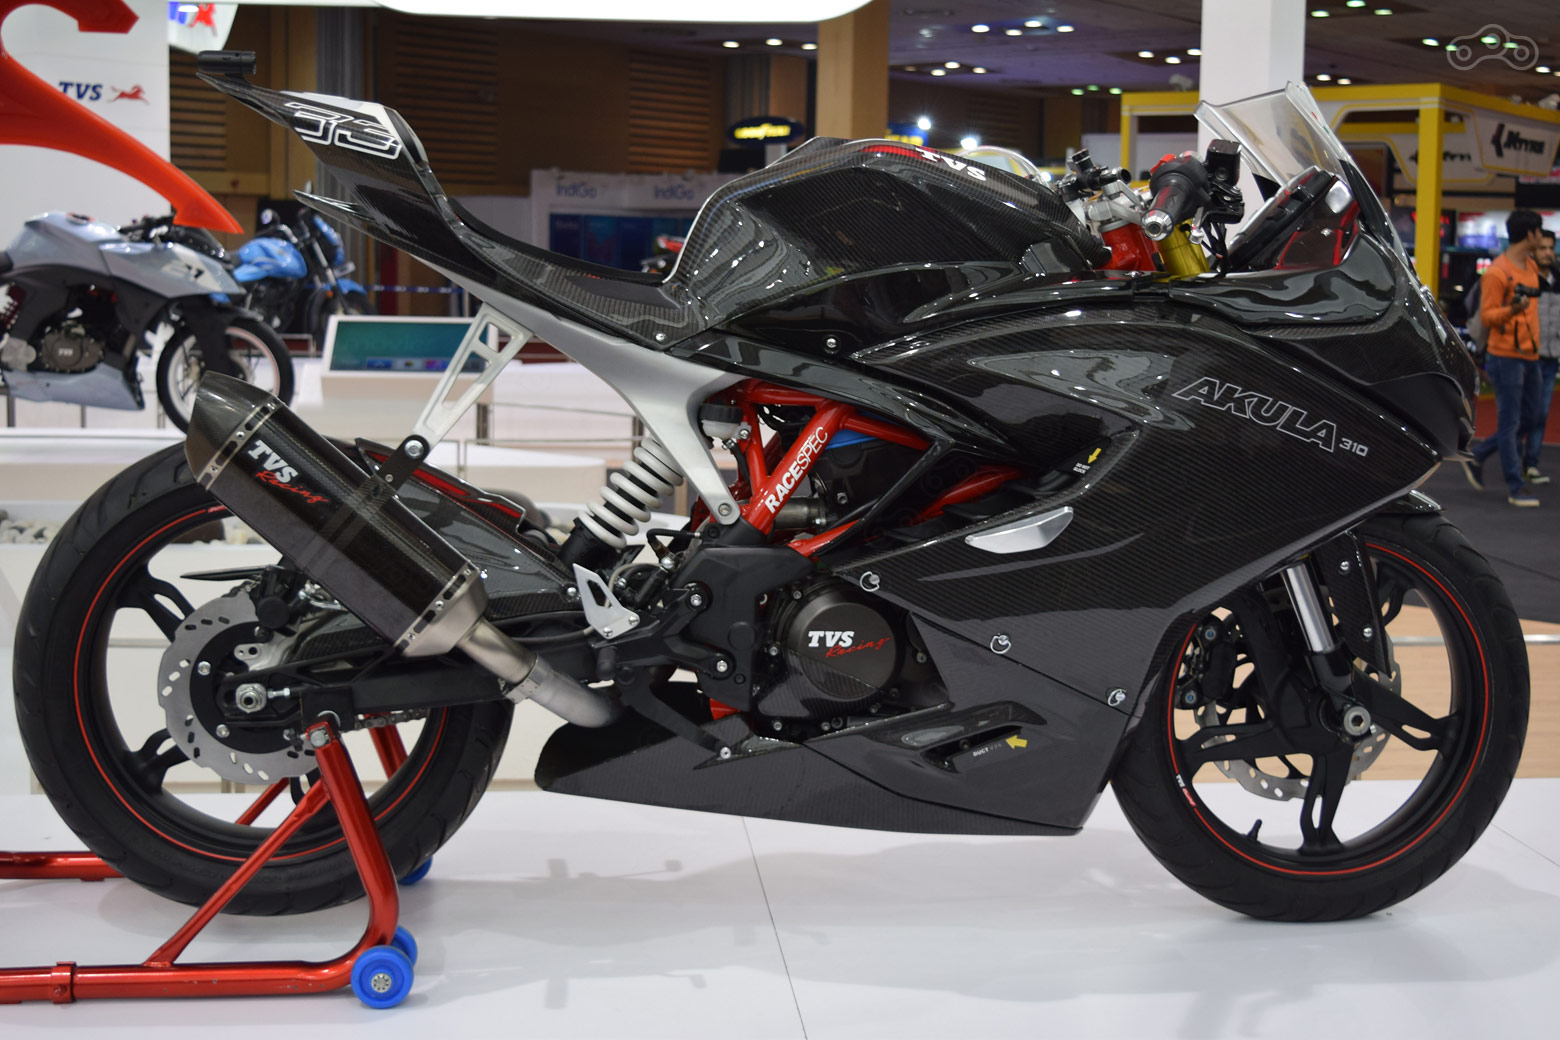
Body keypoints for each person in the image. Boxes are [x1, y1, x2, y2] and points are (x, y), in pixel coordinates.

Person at [1463, 210, 1547, 507]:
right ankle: (1515, 486)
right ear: (1530, 234)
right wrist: (1512, 310)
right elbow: (1487, 316)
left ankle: (1480, 454)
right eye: (1539, 232)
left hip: (1530, 354)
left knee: (1532, 418)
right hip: (1504, 357)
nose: (1542, 238)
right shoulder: (1497, 273)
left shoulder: (1531, 265)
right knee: (1510, 422)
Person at [1527, 229, 1559, 485]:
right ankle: (1508, 461)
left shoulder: (1558, 279)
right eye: (1543, 248)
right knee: (1521, 414)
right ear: (1534, 251)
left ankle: (1531, 464)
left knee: (1541, 413)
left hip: (1550, 358)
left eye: (1551, 248)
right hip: (1524, 356)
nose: (1547, 252)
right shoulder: (1525, 278)